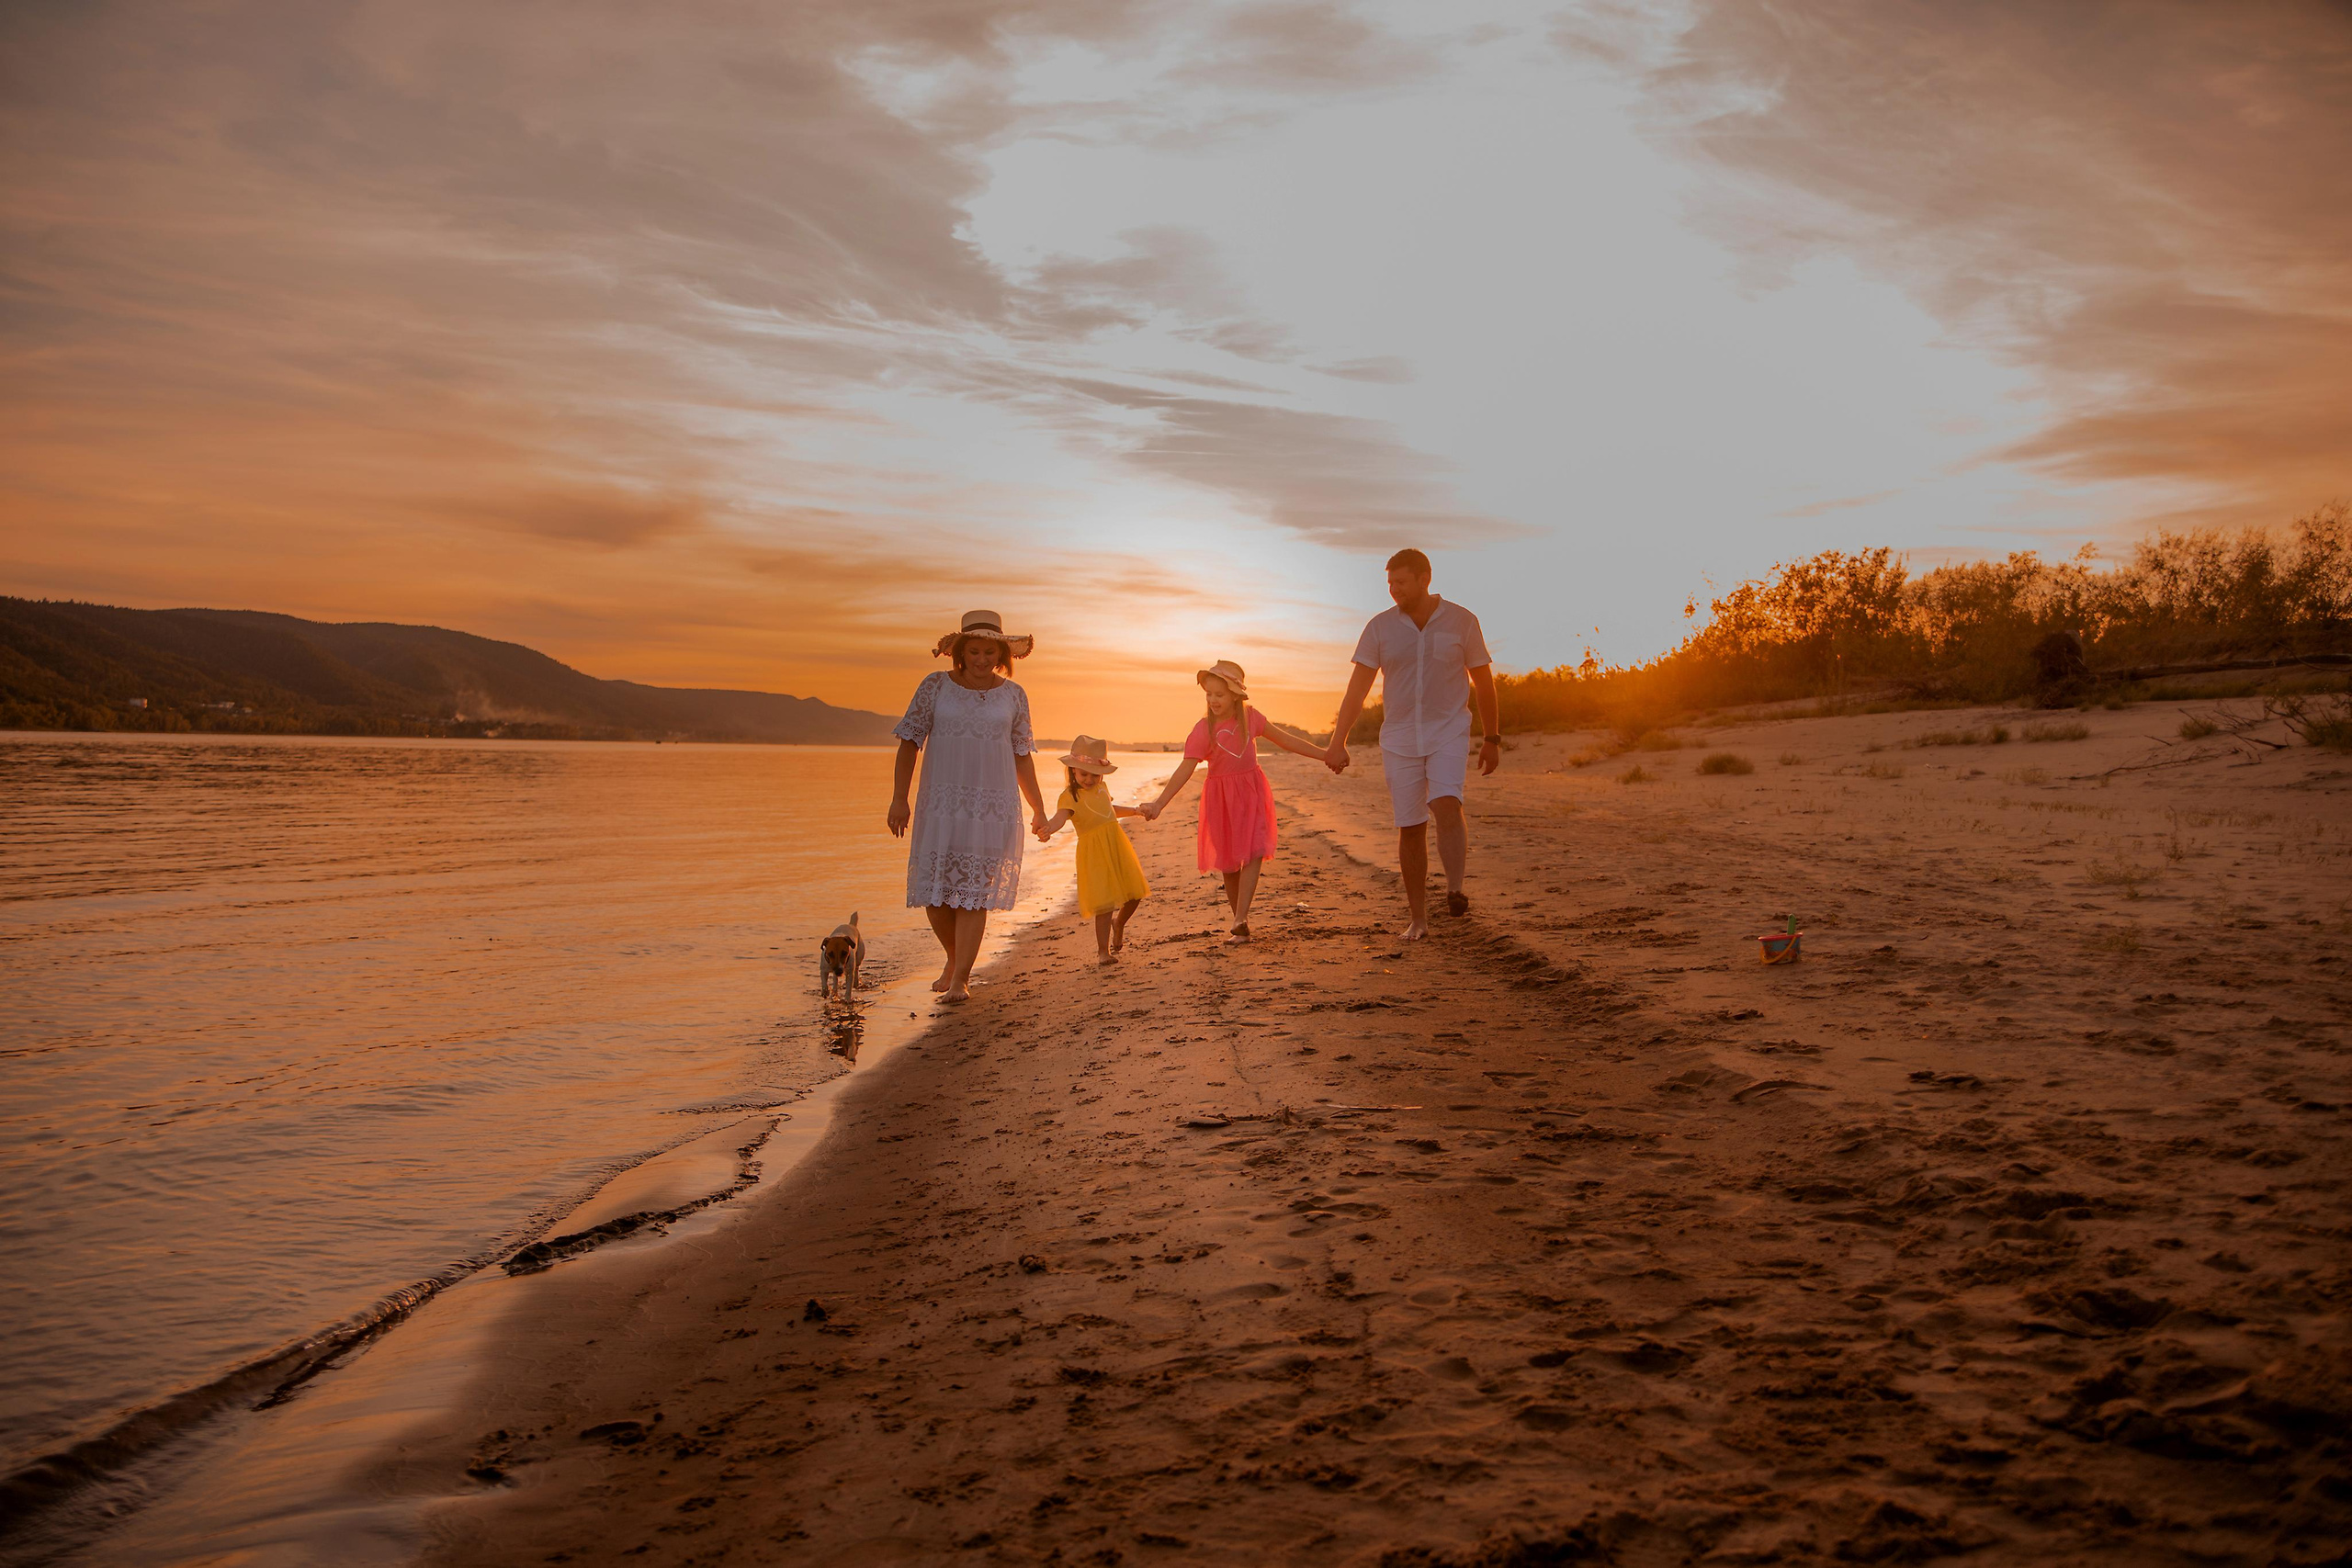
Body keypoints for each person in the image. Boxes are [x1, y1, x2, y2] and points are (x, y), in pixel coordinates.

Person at [1325, 549, 1500, 942]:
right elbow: (1357, 690)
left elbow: (1484, 684)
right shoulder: (1379, 628)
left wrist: (1492, 738)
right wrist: (1338, 741)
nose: (1394, 590)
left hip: (1449, 731)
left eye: (1401, 582)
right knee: (1410, 825)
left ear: (1425, 579)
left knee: (1446, 802)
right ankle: (1418, 919)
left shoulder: (1462, 621)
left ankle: (1455, 889)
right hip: (1399, 738)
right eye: (1390, 583)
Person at [887, 611, 1048, 1002]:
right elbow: (909, 743)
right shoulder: (935, 686)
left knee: (975, 894)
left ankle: (960, 979)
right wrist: (899, 798)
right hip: (940, 804)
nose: (981, 659)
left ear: (1002, 654)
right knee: (936, 896)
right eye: (973, 651)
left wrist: (1038, 809)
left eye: (989, 652)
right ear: (960, 651)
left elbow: (1022, 756)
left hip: (992, 807)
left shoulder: (1014, 695)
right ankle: (954, 957)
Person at [1137, 660, 1330, 943]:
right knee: (1228, 864)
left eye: (1219, 694)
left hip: (1251, 794)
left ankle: (1241, 918)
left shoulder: (1251, 718)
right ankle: (1240, 923)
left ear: (1236, 695)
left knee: (1254, 851)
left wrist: (1324, 755)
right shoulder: (1204, 729)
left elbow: (1286, 740)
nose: (1212, 700)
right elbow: (1185, 768)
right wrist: (1158, 803)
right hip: (1221, 802)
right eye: (1208, 694)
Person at [1035, 734, 1149, 964]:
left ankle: (1119, 923)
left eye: (1094, 774)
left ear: (1102, 774)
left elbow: (1110, 810)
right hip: (1094, 852)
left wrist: (1135, 811)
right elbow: (1060, 818)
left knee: (1135, 894)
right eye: (1083, 774)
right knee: (1104, 903)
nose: (1089, 779)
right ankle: (1103, 952)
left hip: (1116, 844)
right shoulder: (1069, 796)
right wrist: (1048, 829)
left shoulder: (1102, 788)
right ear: (1073, 771)